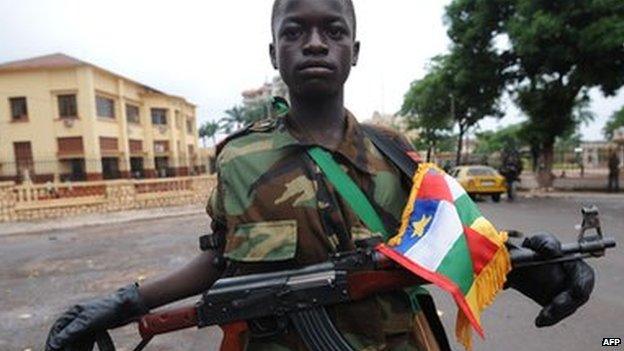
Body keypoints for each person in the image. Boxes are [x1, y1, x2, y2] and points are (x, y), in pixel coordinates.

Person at [45, 1, 595, 350]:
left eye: (332, 30)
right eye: (295, 31)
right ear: (274, 51)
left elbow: (452, 240)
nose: (313, 42)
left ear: (353, 51)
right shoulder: (240, 158)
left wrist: (533, 268)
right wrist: (122, 303)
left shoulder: (394, 152)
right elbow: (221, 258)